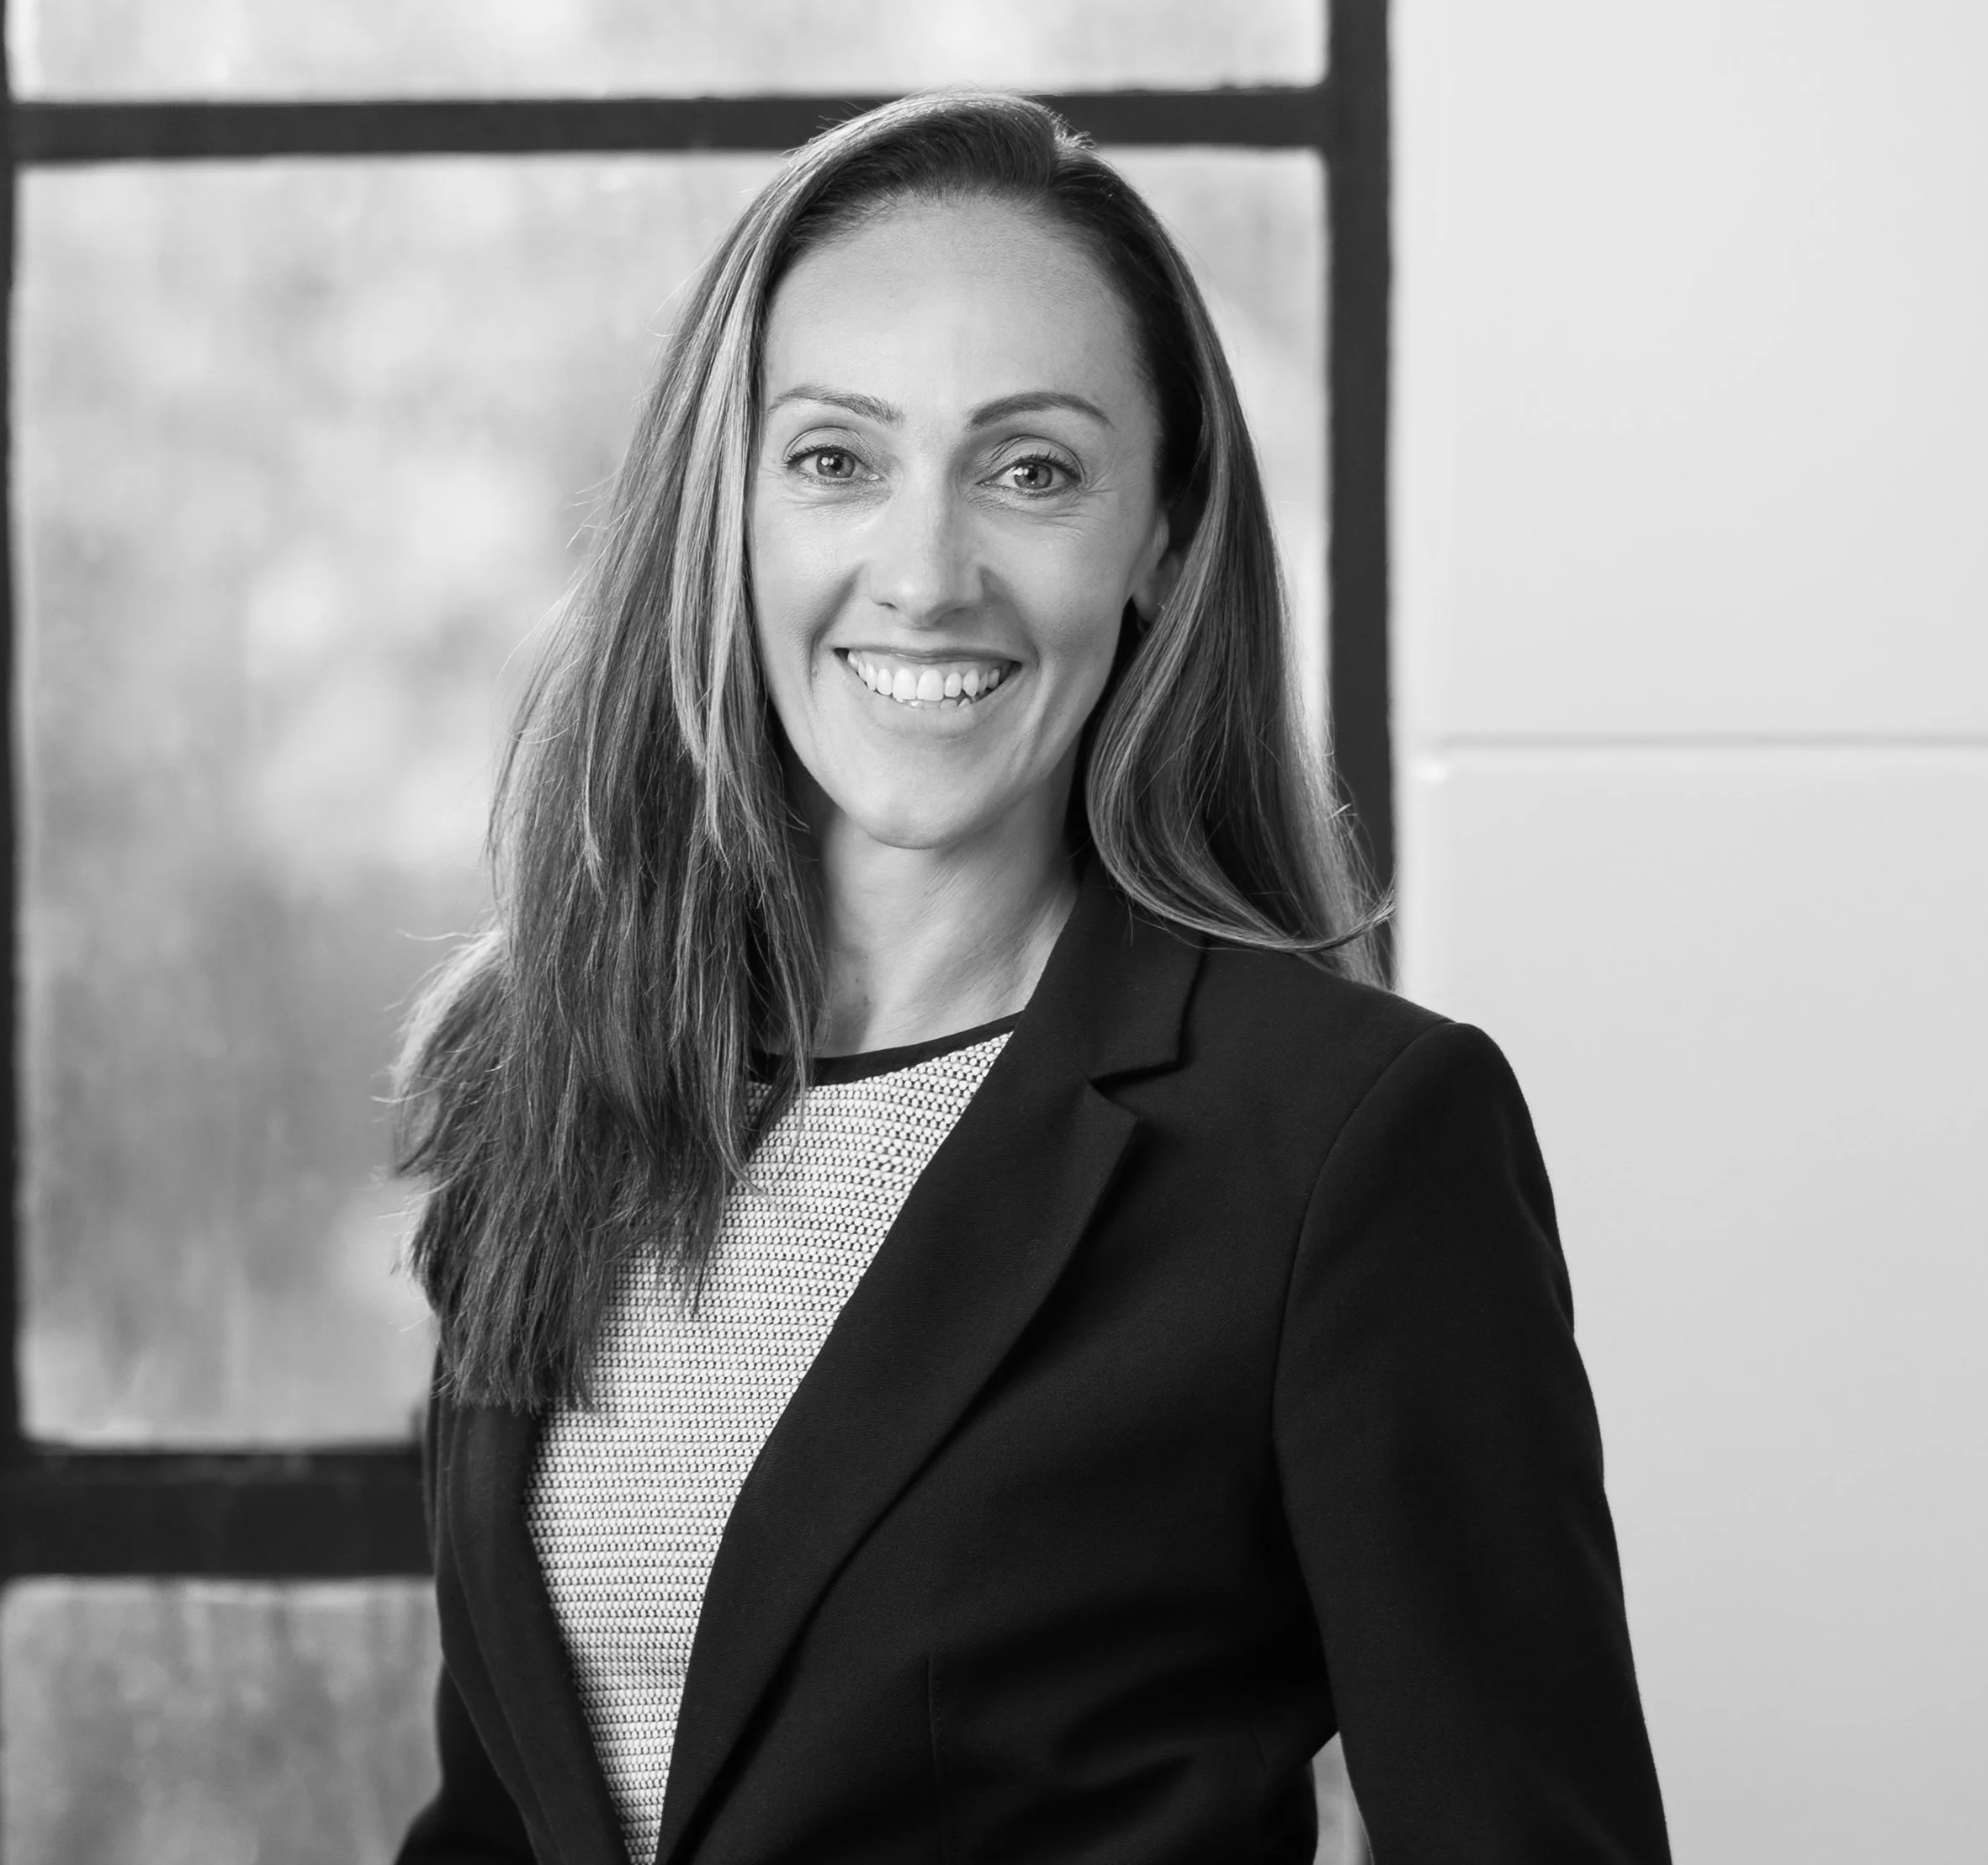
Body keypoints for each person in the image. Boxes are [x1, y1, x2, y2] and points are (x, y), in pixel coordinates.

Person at [392, 91, 1670, 1865]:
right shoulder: (551, 1077)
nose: (923, 576)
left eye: (1034, 469)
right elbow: (501, 1813)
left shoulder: (1343, 1142)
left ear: (1161, 536)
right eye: (837, 458)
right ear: (730, 509)